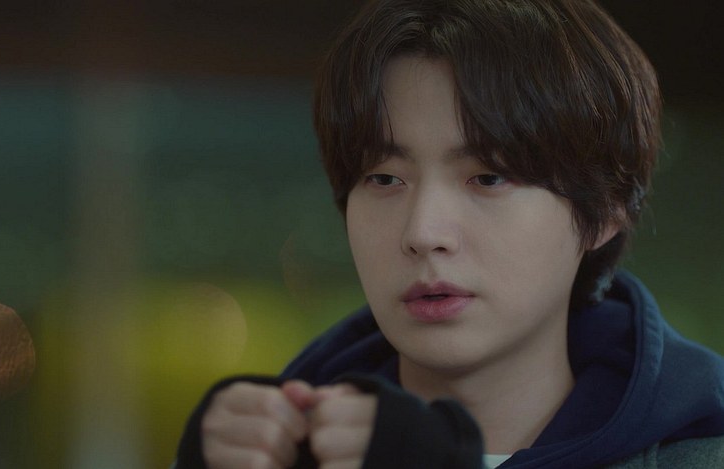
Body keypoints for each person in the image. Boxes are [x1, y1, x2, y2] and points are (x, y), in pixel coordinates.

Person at [175, 0, 724, 467]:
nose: (423, 232)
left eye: (488, 177)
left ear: (604, 210)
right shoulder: (275, 449)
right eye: (384, 178)